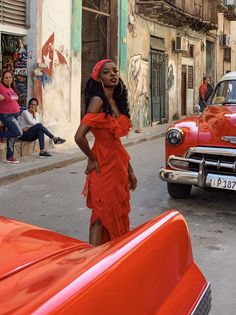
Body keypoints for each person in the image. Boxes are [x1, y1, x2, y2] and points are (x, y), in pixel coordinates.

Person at [74, 59, 137, 246]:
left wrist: (130, 171)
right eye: (106, 72)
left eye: (114, 71)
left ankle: (110, 255)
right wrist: (92, 159)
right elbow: (79, 136)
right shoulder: (97, 101)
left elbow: (116, 144)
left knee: (116, 210)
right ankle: (93, 263)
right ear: (98, 78)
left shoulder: (116, 103)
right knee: (100, 214)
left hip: (118, 166)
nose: (112, 74)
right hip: (102, 164)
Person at [0, 70, 23, 164]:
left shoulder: (10, 88)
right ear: (2, 78)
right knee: (18, 132)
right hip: (6, 114)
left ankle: (9, 156)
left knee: (12, 136)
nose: (8, 79)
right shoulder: (0, 86)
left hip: (14, 115)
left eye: (10, 77)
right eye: (6, 77)